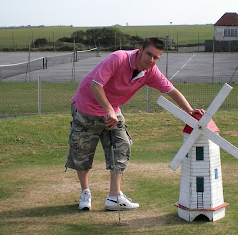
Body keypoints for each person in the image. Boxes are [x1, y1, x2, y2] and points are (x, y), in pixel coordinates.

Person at [66, 37, 204, 211]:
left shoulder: (151, 71)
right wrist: (109, 110)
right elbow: (96, 85)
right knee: (82, 152)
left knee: (122, 146)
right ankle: (85, 192)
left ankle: (114, 197)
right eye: (149, 54)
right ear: (140, 50)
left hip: (112, 110)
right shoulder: (118, 58)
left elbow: (171, 90)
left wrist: (190, 110)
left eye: (156, 58)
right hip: (87, 106)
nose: (151, 60)